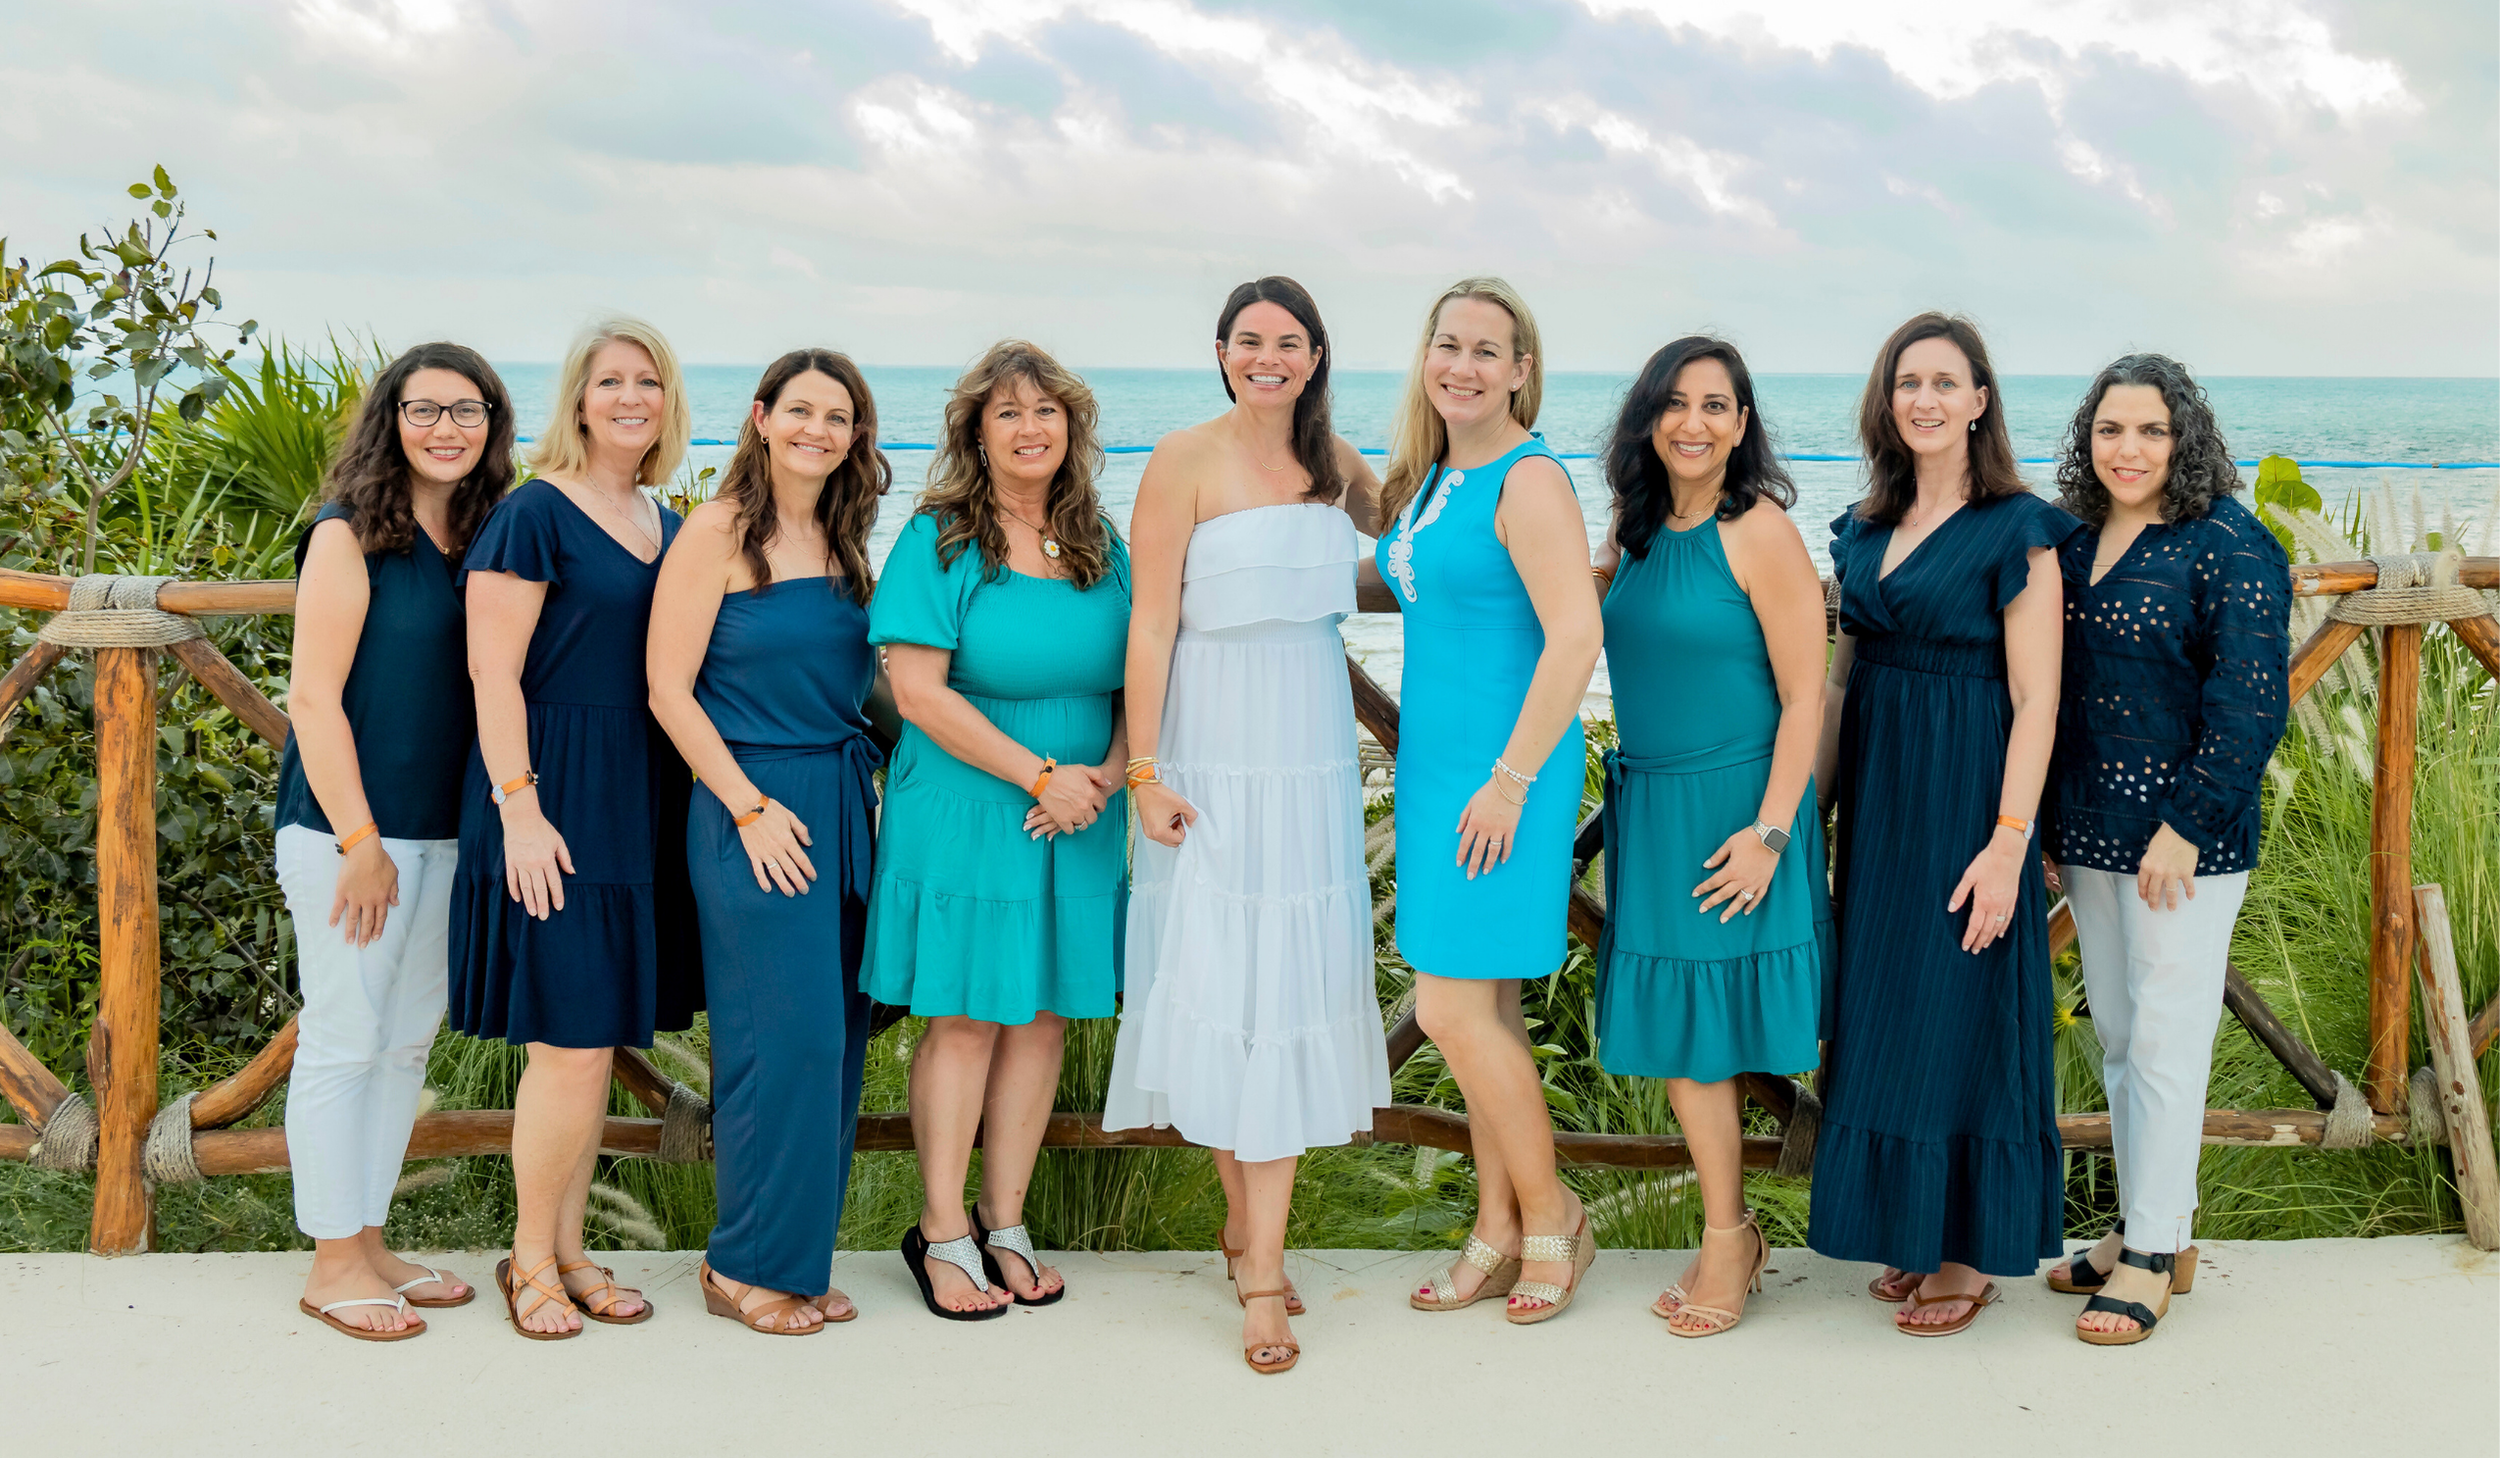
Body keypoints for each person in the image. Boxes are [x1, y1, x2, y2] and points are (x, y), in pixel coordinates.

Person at [1103, 277, 1394, 1374]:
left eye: (1288, 342)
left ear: (1316, 356)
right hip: (1207, 741)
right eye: (1248, 341)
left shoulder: (1339, 467)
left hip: (1309, 743)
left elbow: (1415, 537)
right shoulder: (1180, 458)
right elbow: (1152, 620)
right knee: (1223, 982)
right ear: (1220, 352)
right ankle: (1262, 1274)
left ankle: (1249, 1241)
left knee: (1284, 980)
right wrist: (1140, 769)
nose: (1267, 358)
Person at [1807, 312, 2081, 1336]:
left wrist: (2010, 842)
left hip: (1970, 787)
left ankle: (1967, 1253)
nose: (1921, 398)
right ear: (1887, 402)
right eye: (1904, 381)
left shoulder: (2019, 527)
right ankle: (1911, 1229)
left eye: (1942, 382)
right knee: (1886, 1003)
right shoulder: (1864, 528)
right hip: (1878, 799)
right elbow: (1838, 684)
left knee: (1965, 1002)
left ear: (1978, 401)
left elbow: (2038, 700)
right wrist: (1807, 814)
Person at [864, 340, 1131, 1320]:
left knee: (1044, 1014)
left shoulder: (1100, 538)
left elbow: (1139, 671)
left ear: (1073, 427)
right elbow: (916, 691)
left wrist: (1106, 775)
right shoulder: (941, 537)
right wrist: (1041, 775)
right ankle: (939, 1232)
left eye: (1046, 411)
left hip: (1081, 815)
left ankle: (1004, 1222)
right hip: (977, 809)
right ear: (976, 431)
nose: (1030, 428)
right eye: (1008, 413)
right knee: (970, 1015)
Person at [452, 317, 704, 1339]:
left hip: (640, 798)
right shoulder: (533, 514)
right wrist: (519, 807)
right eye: (610, 382)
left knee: (594, 1042)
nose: (630, 398)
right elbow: (490, 670)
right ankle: (529, 1260)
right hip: (553, 794)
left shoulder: (669, 521)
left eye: (648, 381)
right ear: (578, 399)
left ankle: (567, 1249)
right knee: (566, 1043)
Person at [2040, 354, 2290, 1346]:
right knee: (2117, 1039)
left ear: (2183, 436)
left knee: (2165, 1041)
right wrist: (2056, 826)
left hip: (2183, 843)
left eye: (2149, 430)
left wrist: (2186, 825)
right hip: (2092, 833)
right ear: (2086, 439)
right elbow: (2063, 693)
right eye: (2110, 430)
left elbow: (2249, 700)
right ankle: (2151, 1228)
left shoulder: (2229, 543)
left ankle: (2150, 1256)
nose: (2127, 448)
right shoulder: (2076, 539)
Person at [1588, 336, 1832, 1338]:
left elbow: (1804, 693)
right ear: (1648, 416)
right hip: (1652, 808)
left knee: (1718, 1037)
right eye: (1676, 403)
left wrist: (1771, 833)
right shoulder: (1635, 527)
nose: (1695, 422)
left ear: (1742, 425)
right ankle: (1730, 1233)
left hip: (1741, 809)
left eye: (1718, 405)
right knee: (1692, 1040)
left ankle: (1735, 1239)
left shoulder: (1759, 529)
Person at [648, 349, 892, 1335]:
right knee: (773, 1044)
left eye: (838, 418)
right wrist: (747, 806)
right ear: (759, 418)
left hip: (837, 801)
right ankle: (739, 1266)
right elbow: (667, 689)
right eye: (800, 410)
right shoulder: (714, 532)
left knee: (832, 1045)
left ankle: (795, 1260)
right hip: (752, 808)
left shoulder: (841, 535)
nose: (817, 431)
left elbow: (863, 685)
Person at [277, 343, 514, 1340]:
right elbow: (313, 699)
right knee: (342, 1039)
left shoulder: (489, 537)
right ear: (393, 418)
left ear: (494, 425)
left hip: (448, 835)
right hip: (350, 837)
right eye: (426, 410)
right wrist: (361, 838)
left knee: (403, 1043)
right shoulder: (347, 535)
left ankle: (368, 1237)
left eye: (468, 411)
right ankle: (331, 1262)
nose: (446, 428)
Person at [1382, 278, 1604, 1325]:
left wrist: (1509, 783)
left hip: (1501, 779)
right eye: (1447, 345)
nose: (1462, 365)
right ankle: (1498, 1224)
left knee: (1448, 1010)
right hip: (1435, 775)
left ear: (1522, 369)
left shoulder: (1529, 480)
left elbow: (1573, 636)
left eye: (1487, 350)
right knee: (1490, 1015)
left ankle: (1554, 1214)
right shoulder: (1431, 478)